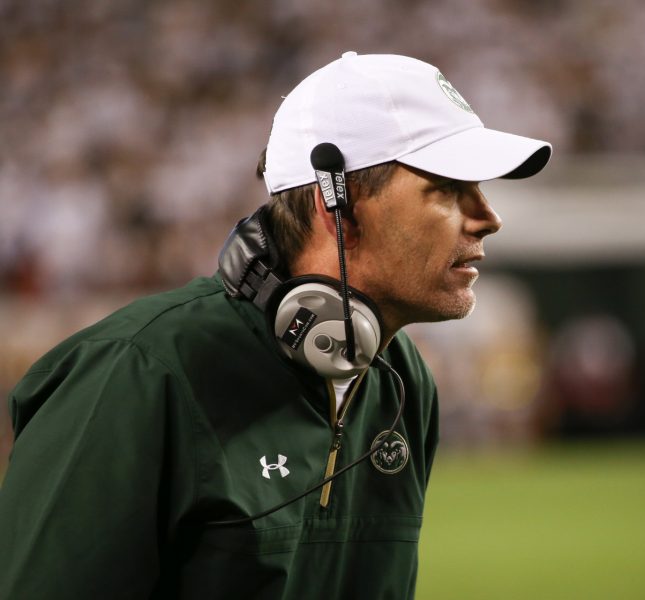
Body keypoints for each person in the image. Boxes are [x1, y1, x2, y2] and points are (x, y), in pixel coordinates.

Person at [0, 52, 551, 599]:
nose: (488, 216)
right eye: (448, 190)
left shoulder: (400, 380)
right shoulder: (133, 374)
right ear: (339, 206)